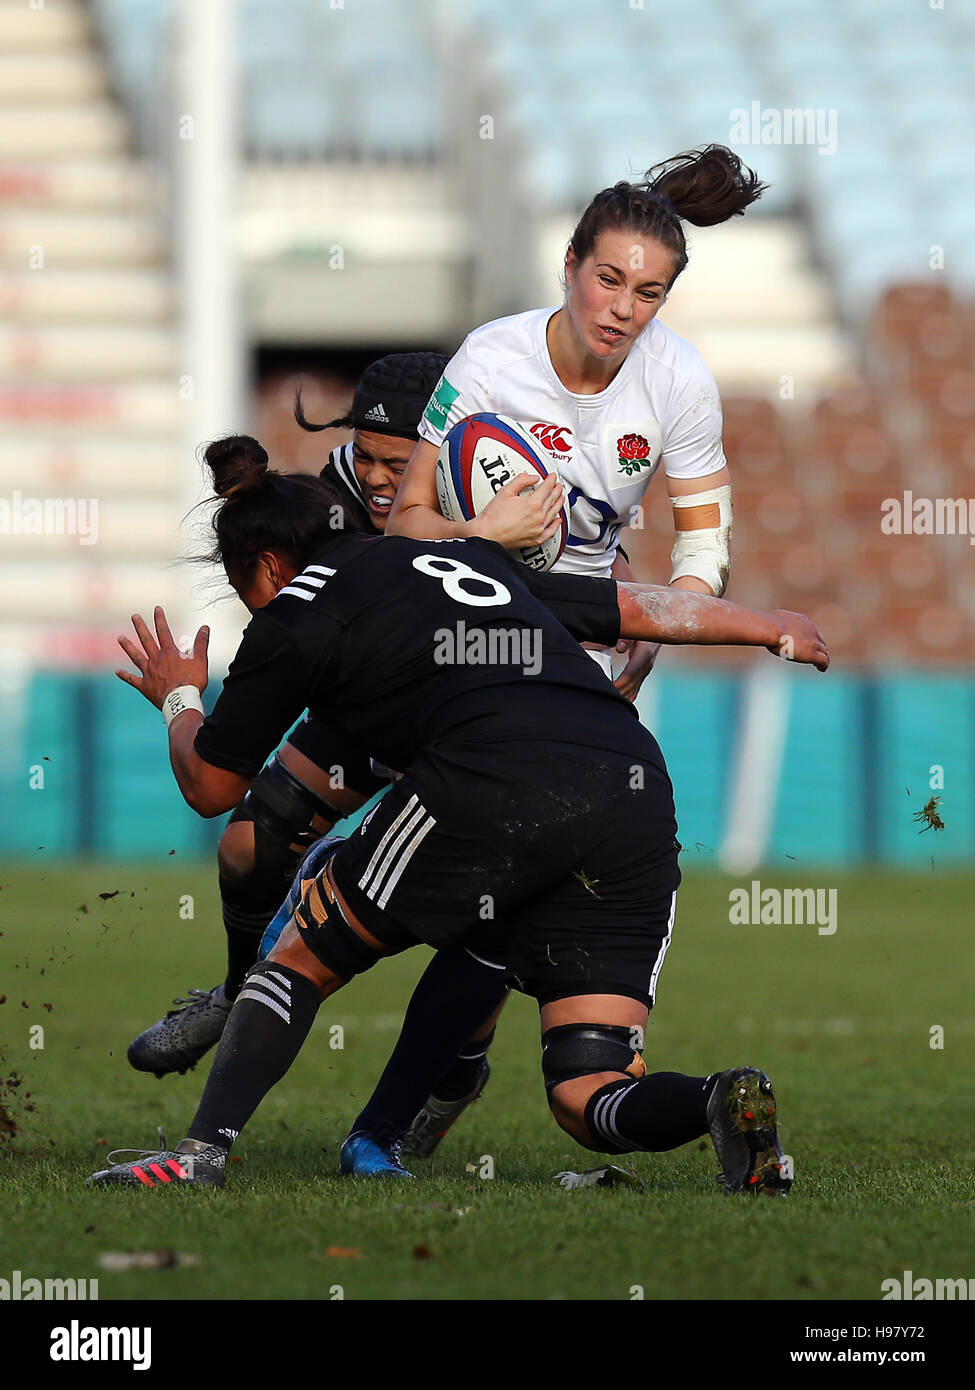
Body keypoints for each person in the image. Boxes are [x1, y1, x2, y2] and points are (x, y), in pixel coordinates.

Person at [88, 437, 827, 1194]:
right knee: (586, 1090)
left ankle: (198, 1157)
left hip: (496, 771)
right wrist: (769, 624)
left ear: (269, 566)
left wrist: (179, 698)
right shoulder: (466, 560)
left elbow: (212, 788)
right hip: (629, 785)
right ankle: (718, 1098)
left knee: (301, 957)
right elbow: (632, 609)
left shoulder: (295, 608)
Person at [343, 143, 763, 1169]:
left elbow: (702, 547)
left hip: (589, 660)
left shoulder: (680, 383)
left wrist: (658, 628)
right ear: (570, 264)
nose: (625, 307)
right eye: (609, 278)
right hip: (472, 633)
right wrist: (485, 532)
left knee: (510, 888)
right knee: (306, 832)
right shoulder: (490, 362)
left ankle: (401, 1114)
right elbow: (405, 520)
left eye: (649, 292)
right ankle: (246, 1003)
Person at [127, 353, 449, 1078]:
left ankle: (450, 1073)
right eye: (363, 455)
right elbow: (298, 618)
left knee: (482, 911)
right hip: (372, 707)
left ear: (445, 451)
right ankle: (240, 994)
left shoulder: (497, 490)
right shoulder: (336, 496)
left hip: (469, 719)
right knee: (247, 846)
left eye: (396, 464)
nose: (373, 478)